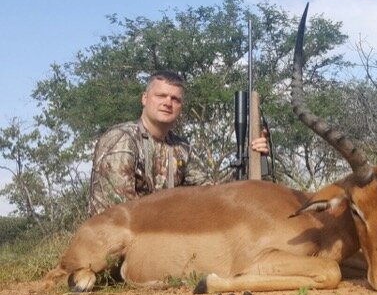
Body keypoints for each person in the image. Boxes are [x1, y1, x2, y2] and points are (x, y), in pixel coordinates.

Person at [89, 70, 269, 215]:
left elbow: (212, 194)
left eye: (175, 99)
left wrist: (248, 158)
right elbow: (120, 213)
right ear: (145, 98)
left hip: (156, 238)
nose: (168, 103)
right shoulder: (121, 139)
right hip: (114, 240)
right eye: (161, 96)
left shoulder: (181, 148)